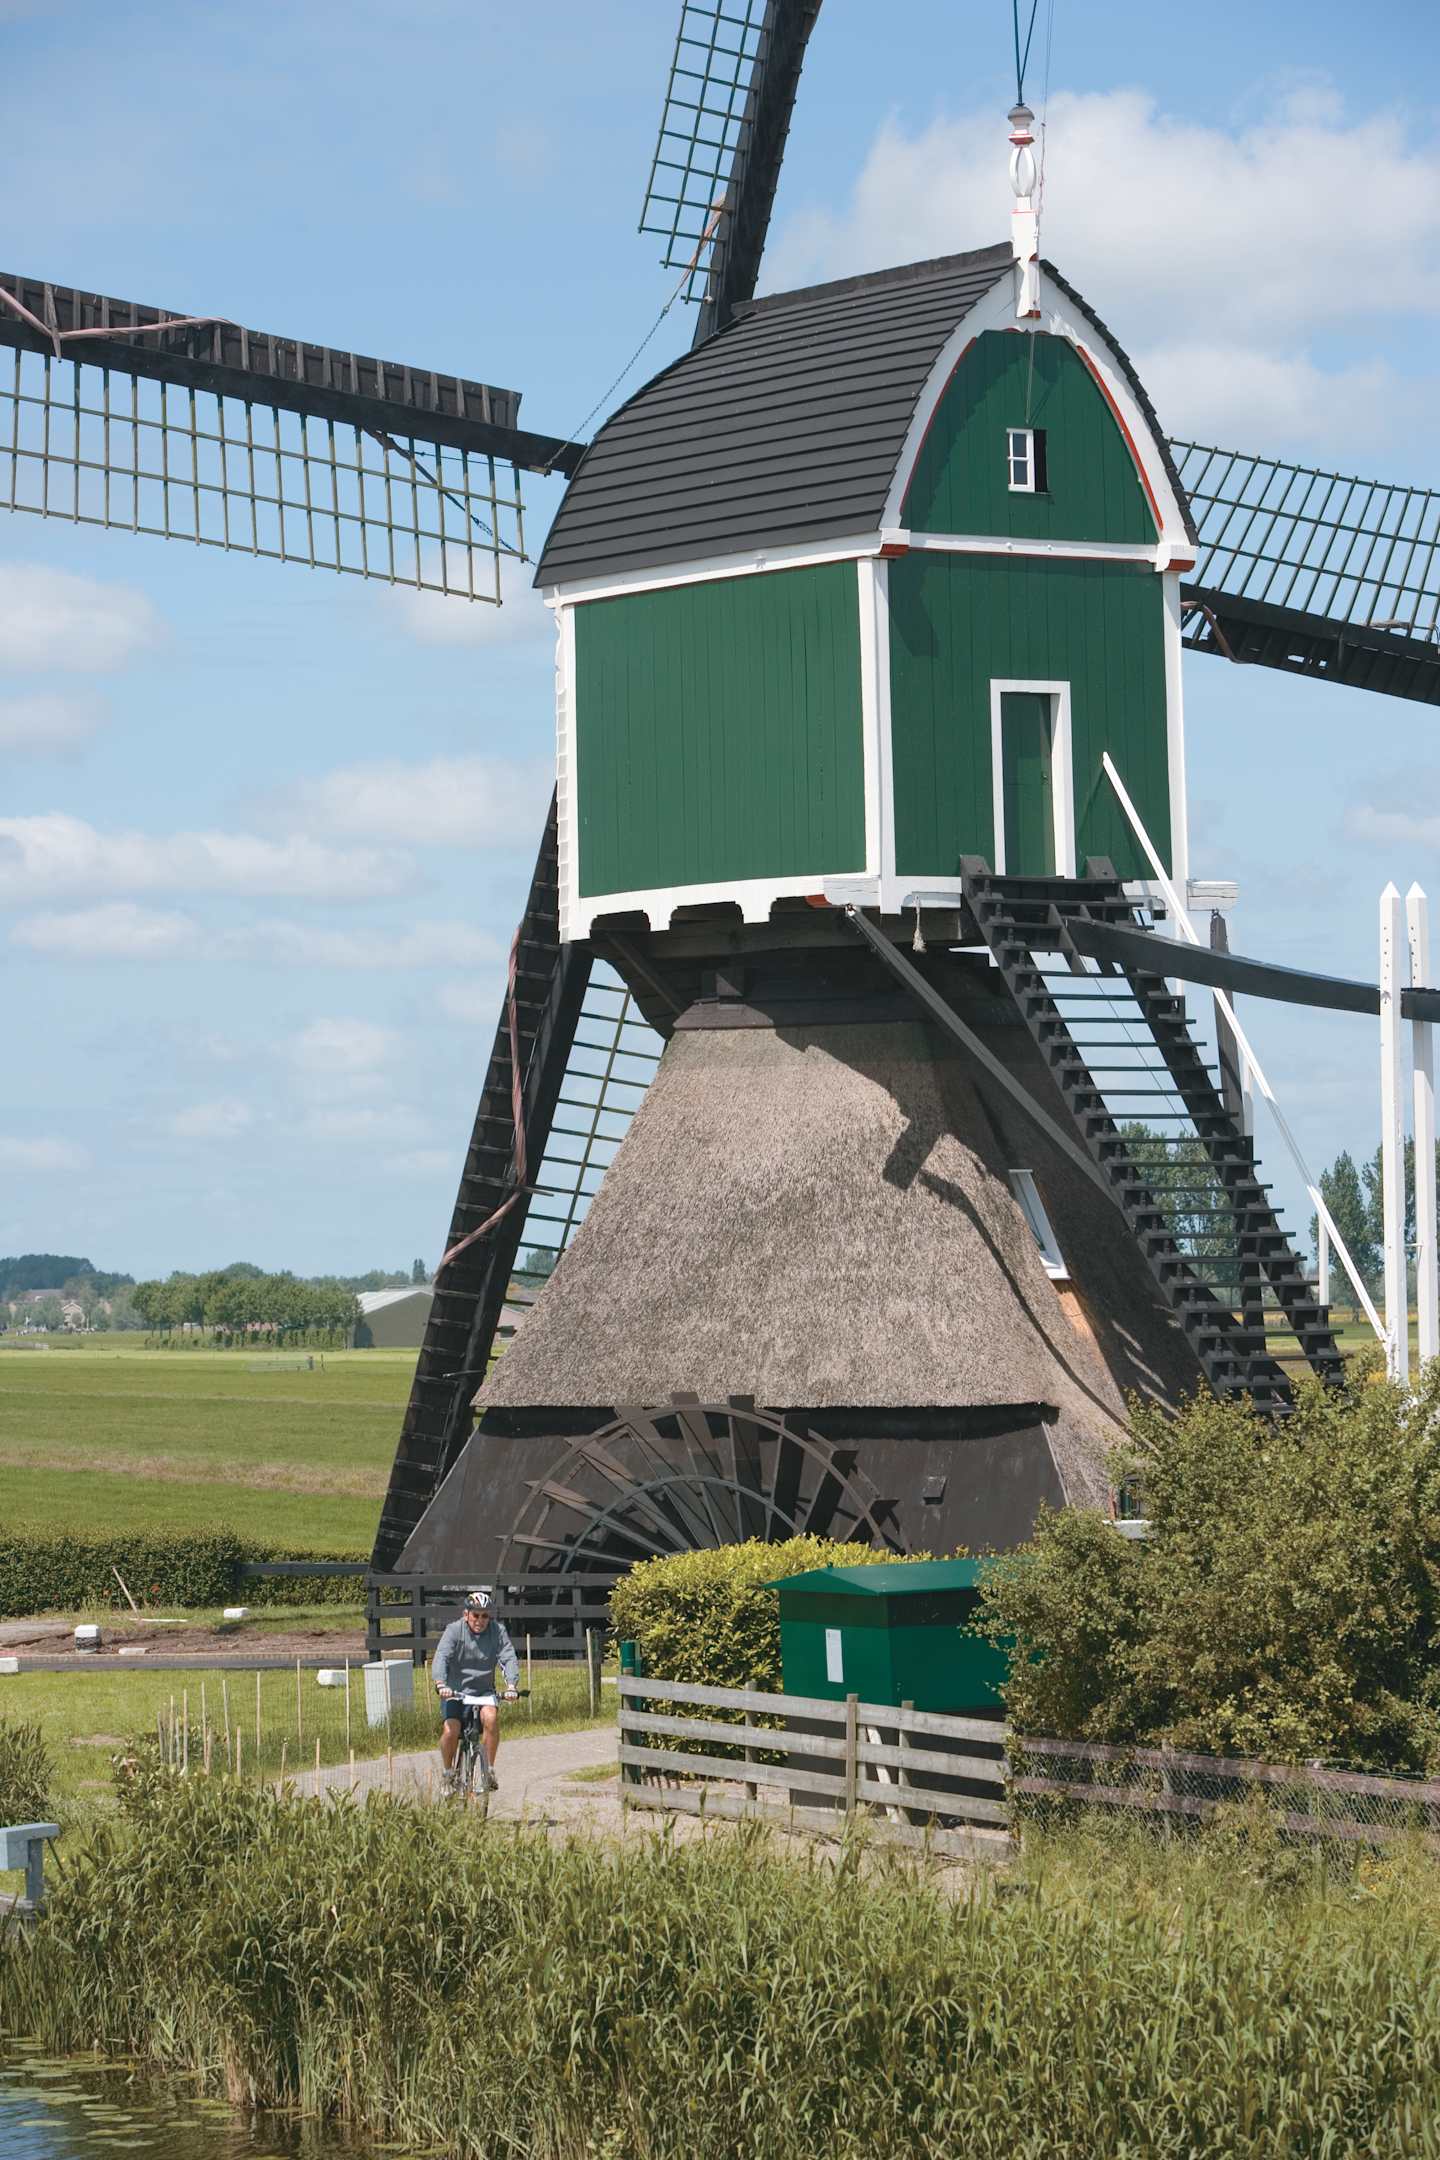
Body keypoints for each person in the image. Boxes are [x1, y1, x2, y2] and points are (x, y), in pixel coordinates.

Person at [433, 1587, 520, 1795]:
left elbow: (508, 1657)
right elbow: (442, 1657)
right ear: (466, 1615)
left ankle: (488, 1770)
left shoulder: (497, 1631)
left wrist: (511, 1686)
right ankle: (448, 1774)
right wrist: (441, 1684)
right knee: (450, 1730)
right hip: (455, 1692)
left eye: (485, 1616)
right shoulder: (454, 1630)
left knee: (491, 1718)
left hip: (483, 1692)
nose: (480, 1620)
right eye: (475, 1615)